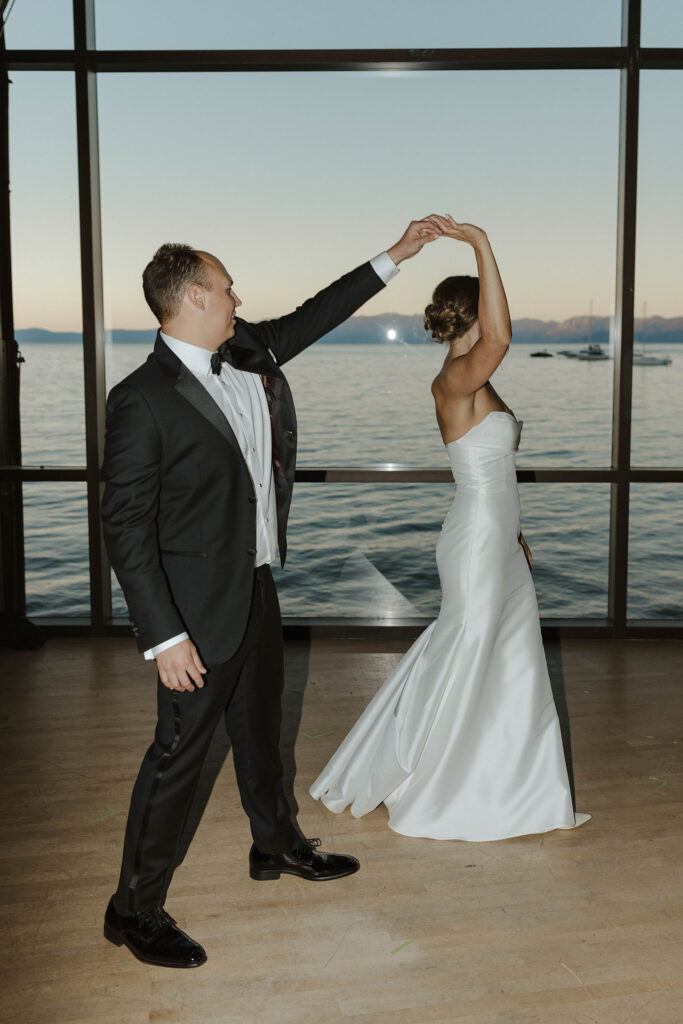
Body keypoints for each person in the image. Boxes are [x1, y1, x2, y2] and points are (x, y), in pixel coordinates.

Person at [100, 217, 443, 969]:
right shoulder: (142, 400)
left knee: (260, 734)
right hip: (192, 613)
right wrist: (163, 636)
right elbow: (124, 528)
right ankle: (133, 909)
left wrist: (396, 254)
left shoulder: (247, 351)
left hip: (254, 586)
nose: (237, 299)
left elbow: (316, 313)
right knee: (178, 760)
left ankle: (276, 844)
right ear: (191, 297)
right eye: (225, 289)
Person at [310, 215, 591, 842]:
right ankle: (431, 782)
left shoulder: (477, 381)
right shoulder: (456, 379)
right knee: (464, 654)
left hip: (498, 540)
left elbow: (496, 469)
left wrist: (514, 533)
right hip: (475, 541)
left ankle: (515, 784)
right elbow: (502, 337)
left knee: (508, 660)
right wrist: (483, 242)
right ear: (474, 316)